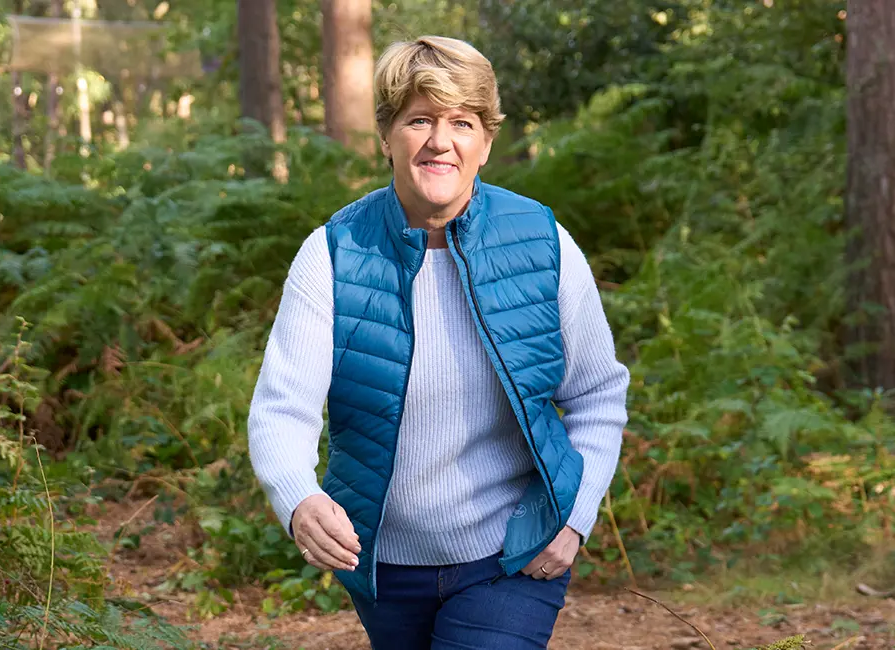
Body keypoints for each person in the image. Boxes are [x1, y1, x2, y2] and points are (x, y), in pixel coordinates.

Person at [247, 35, 630, 650]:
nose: (440, 141)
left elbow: (597, 395)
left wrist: (575, 517)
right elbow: (282, 407)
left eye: (462, 122)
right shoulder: (334, 253)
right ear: (386, 135)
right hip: (382, 565)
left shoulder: (543, 242)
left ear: (486, 142)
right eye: (419, 120)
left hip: (511, 554)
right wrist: (298, 498)